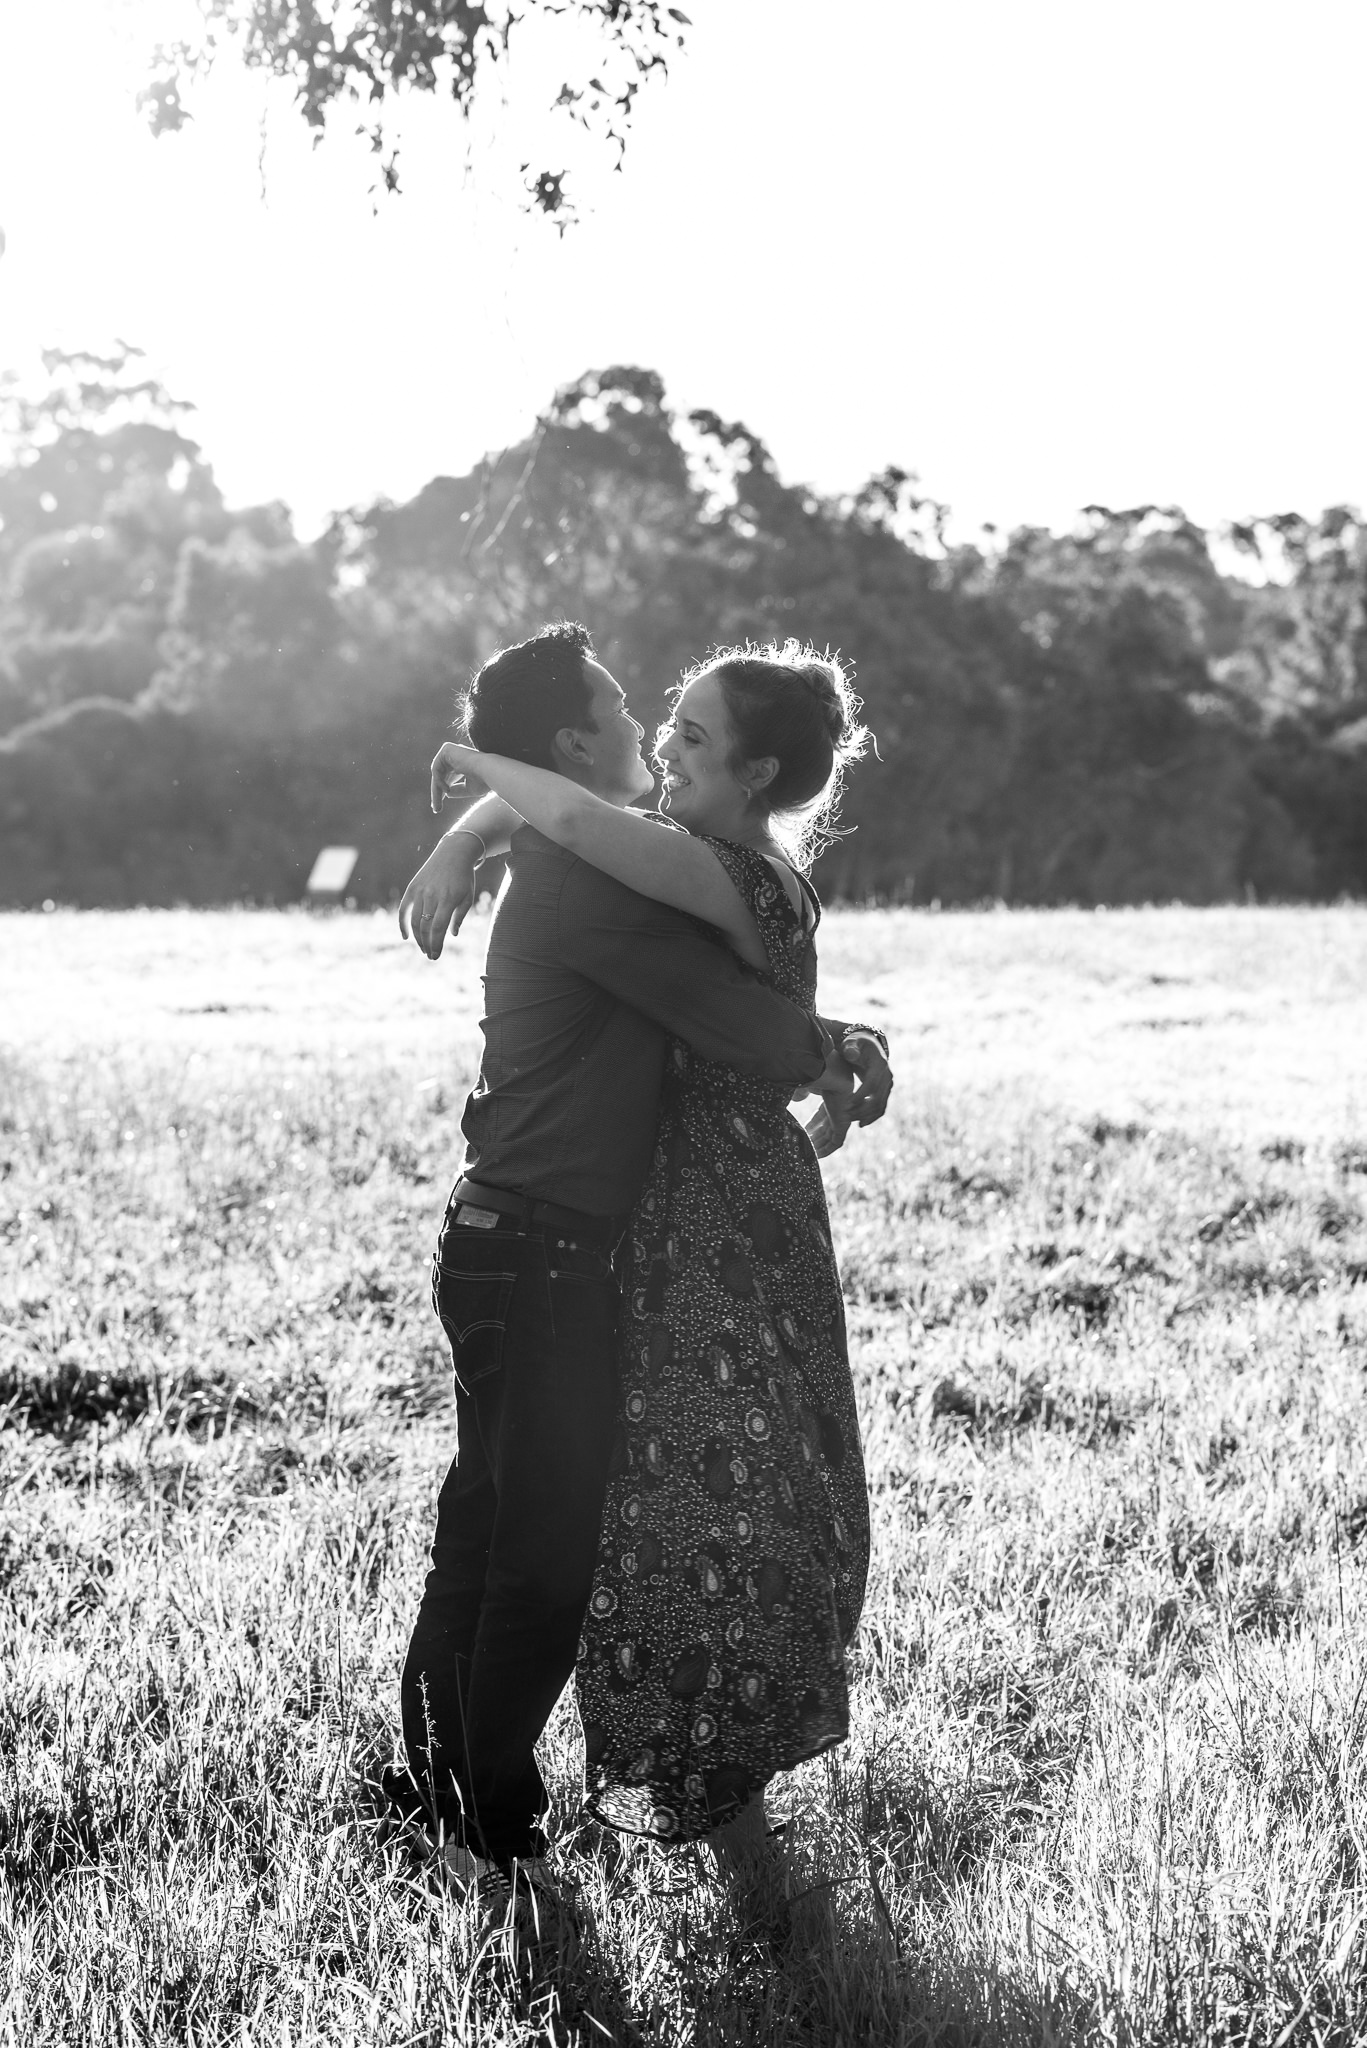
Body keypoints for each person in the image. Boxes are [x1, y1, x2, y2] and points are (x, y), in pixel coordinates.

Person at [387, 623, 882, 1906]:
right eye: (626, 706)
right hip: (538, 1252)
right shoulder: (579, 870)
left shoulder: (581, 851)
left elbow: (615, 878)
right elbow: (702, 1002)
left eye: (685, 725)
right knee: (536, 1556)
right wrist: (823, 1046)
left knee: (489, 1534)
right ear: (572, 745)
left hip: (526, 1242)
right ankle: (485, 1831)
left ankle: (441, 1798)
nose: (647, 728)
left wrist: (463, 821)